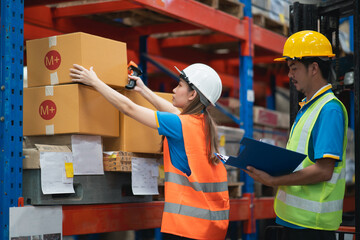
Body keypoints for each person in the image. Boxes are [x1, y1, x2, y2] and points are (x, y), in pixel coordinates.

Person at [70, 63, 230, 240]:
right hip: (211, 228)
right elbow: (173, 112)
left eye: (179, 85)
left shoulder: (179, 125)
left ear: (192, 94)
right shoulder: (205, 124)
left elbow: (128, 108)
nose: (174, 90)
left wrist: (94, 81)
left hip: (185, 229)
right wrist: (143, 90)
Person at [245, 30, 348, 240]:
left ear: (314, 68)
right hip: (294, 222)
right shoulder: (308, 108)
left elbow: (323, 171)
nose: (289, 75)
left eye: (294, 68)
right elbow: (303, 161)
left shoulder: (329, 109)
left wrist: (274, 180)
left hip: (311, 227)